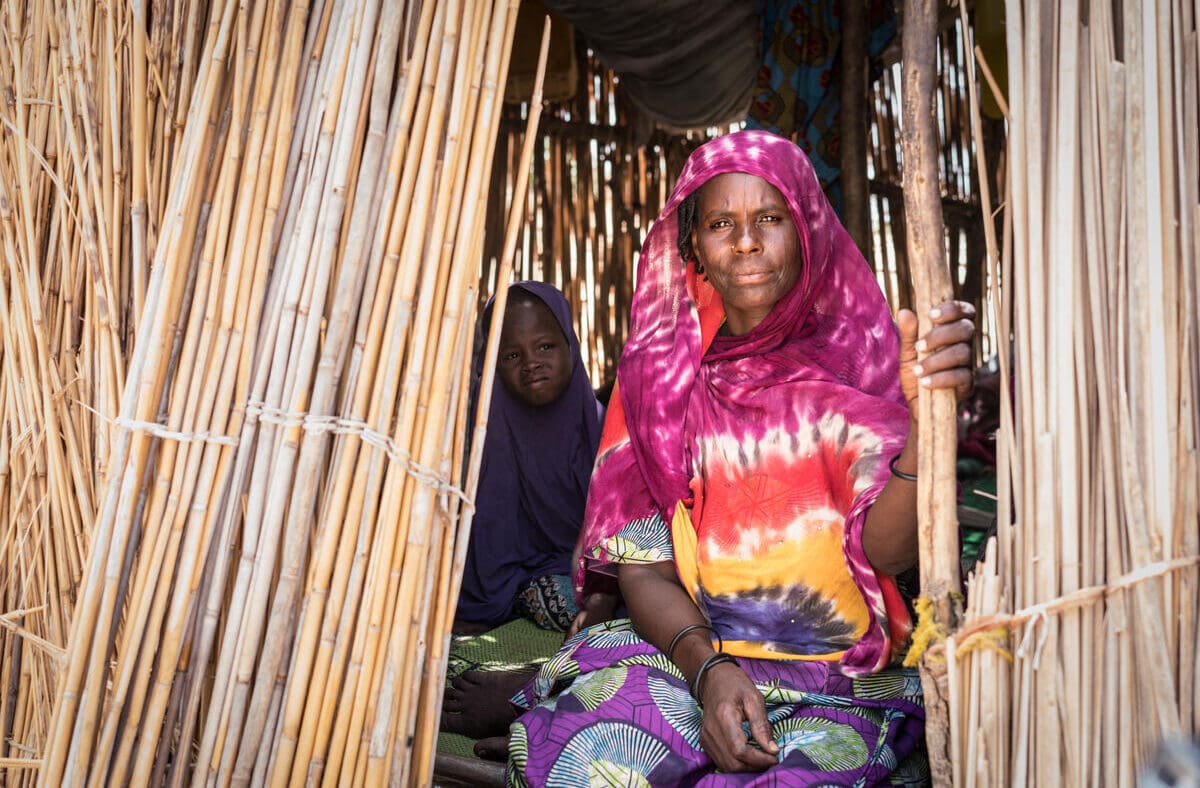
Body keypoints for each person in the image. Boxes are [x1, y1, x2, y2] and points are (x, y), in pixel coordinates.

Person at [506, 130, 975, 786]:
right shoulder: (658, 385)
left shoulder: (863, 366)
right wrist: (710, 672)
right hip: (691, 656)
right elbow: (646, 573)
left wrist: (927, 428)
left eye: (769, 219)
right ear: (694, 242)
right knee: (584, 762)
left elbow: (891, 554)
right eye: (721, 223)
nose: (746, 242)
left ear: (807, 228)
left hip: (838, 675)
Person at [444, 281, 607, 742]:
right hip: (495, 591)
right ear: (492, 364)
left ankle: (534, 704)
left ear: (570, 346)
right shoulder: (481, 437)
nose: (531, 362)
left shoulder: (599, 428)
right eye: (512, 356)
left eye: (545, 346)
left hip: (580, 583)